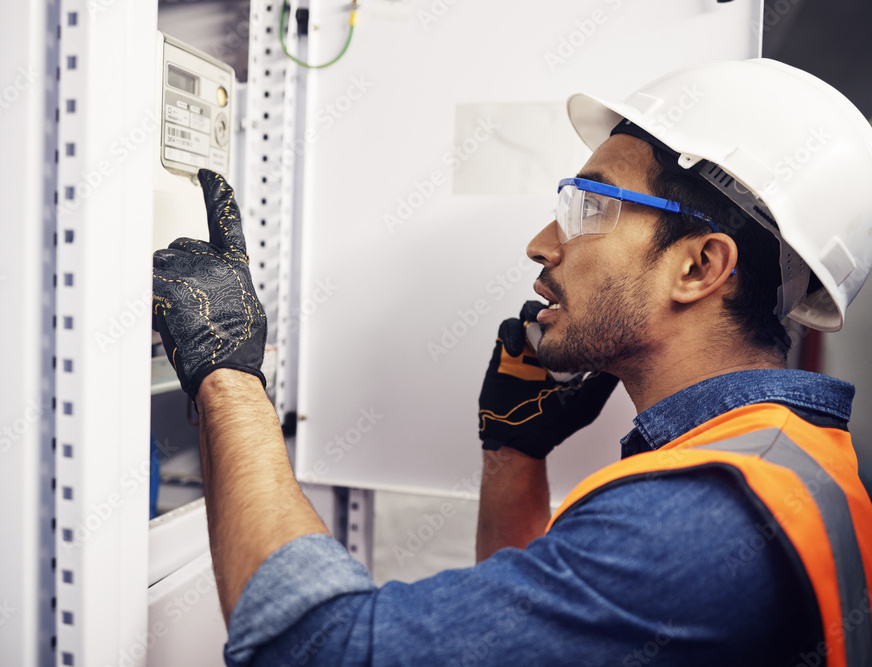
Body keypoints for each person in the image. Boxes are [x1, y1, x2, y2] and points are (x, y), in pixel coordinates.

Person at [151, 58, 872, 666]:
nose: (541, 243)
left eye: (589, 207)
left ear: (698, 266)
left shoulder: (703, 518)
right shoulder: (778, 458)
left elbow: (315, 646)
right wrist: (513, 448)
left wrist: (229, 374)